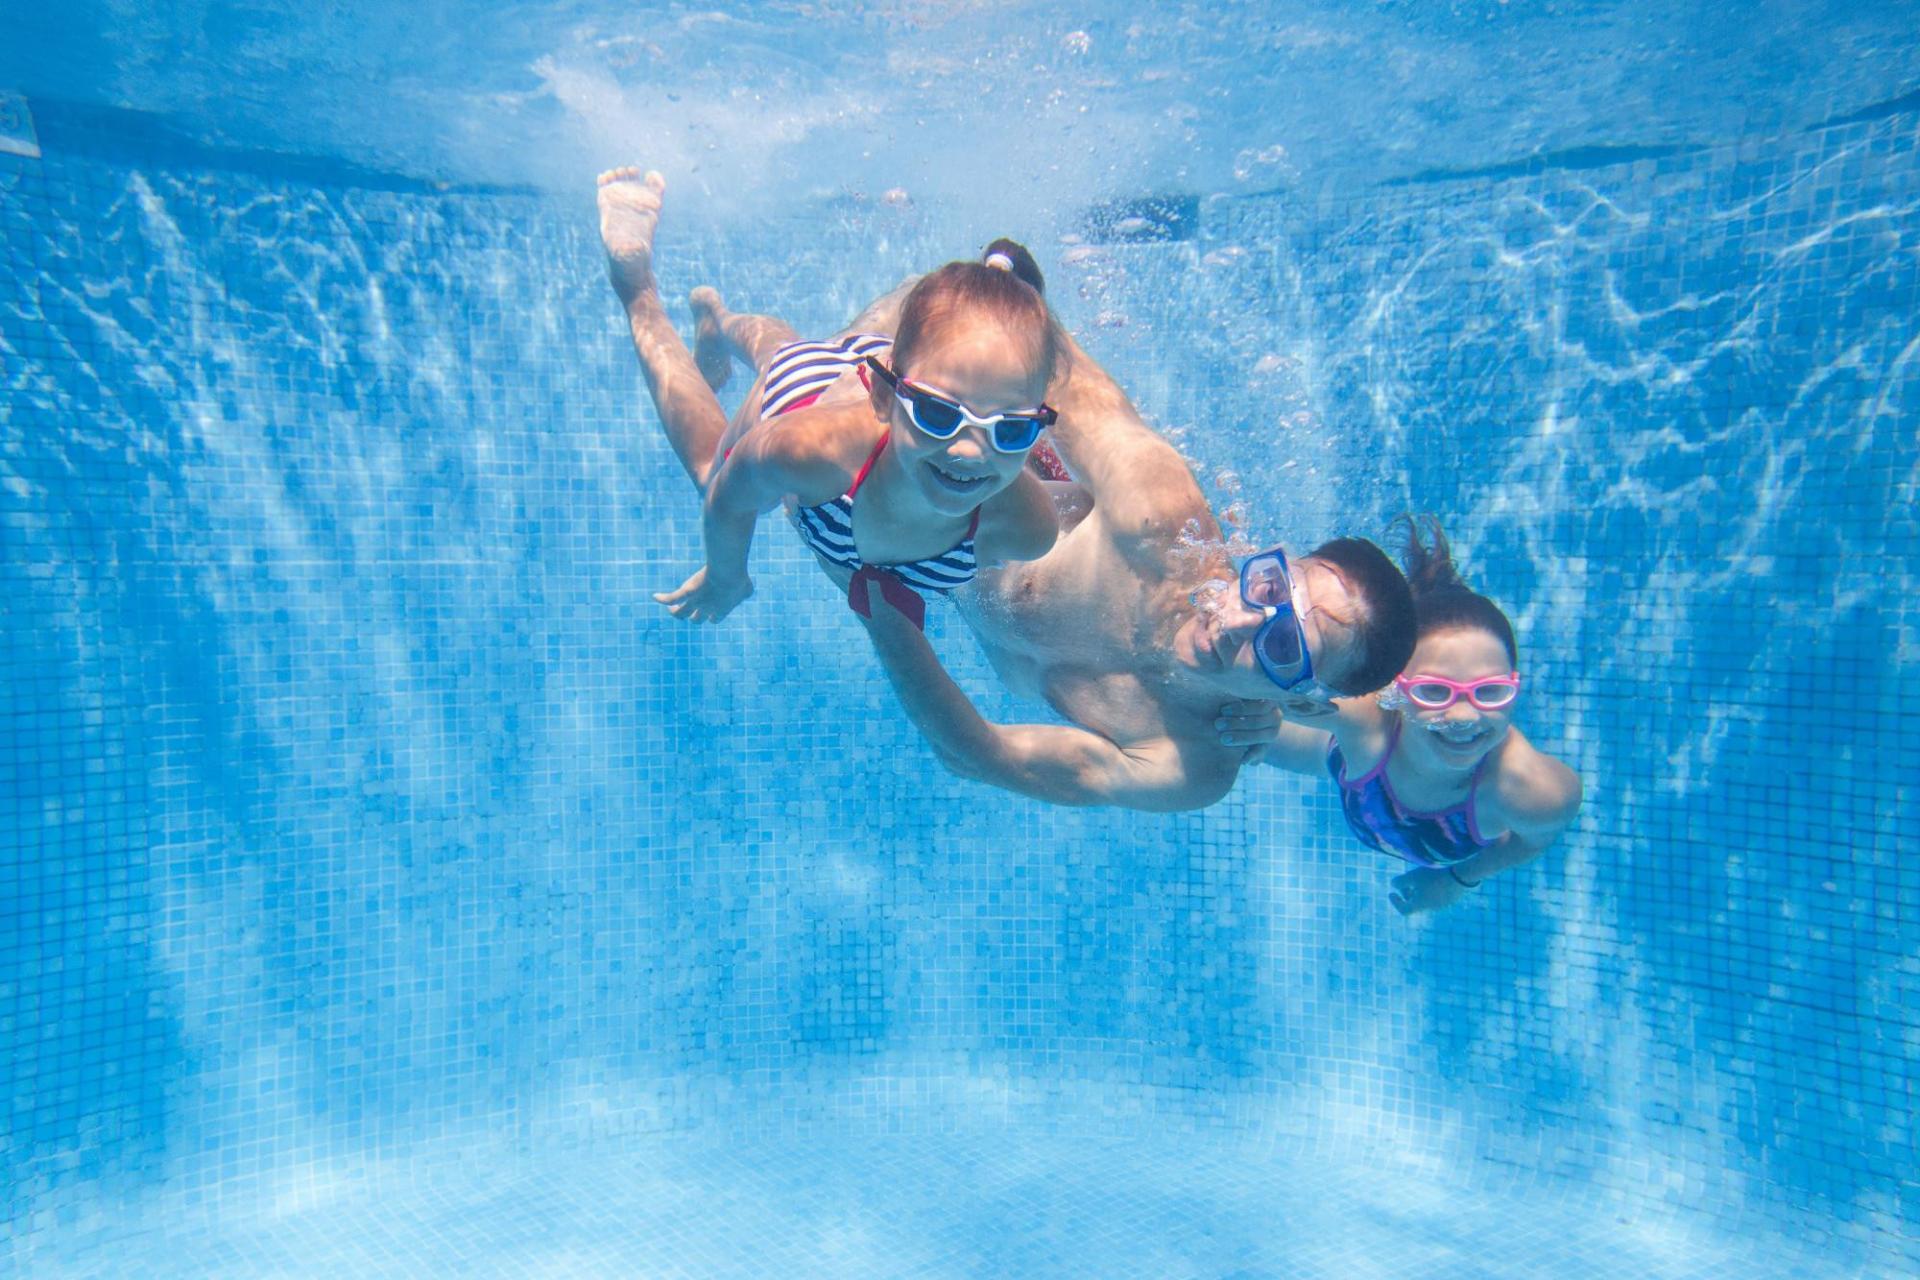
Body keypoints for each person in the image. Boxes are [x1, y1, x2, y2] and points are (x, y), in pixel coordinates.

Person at [851, 317, 1420, 811]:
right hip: (950, 455)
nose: (1240, 622)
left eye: (1283, 648)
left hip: (903, 555)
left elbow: (979, 757)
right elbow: (1048, 357)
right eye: (1269, 586)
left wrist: (875, 601)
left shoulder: (1189, 762)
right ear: (1274, 560)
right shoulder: (1159, 518)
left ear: (1299, 700)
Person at [595, 167, 1058, 630]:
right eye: (939, 415)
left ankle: (719, 322)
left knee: (784, 346)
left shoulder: (1027, 527)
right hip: (806, 391)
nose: (971, 451)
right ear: (882, 397)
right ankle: (637, 288)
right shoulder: (802, 451)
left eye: (1011, 429)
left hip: (893, 370)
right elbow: (726, 499)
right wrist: (726, 575)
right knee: (713, 468)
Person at [1245, 517, 1583, 914]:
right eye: (1434, 691)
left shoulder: (1532, 791)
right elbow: (1252, 675)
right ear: (1394, 688)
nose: (1463, 717)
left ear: (1514, 687)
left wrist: (1457, 880)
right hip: (1336, 756)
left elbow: (1534, 839)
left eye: (1489, 692)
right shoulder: (1362, 715)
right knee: (1226, 727)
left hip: (1369, 780)